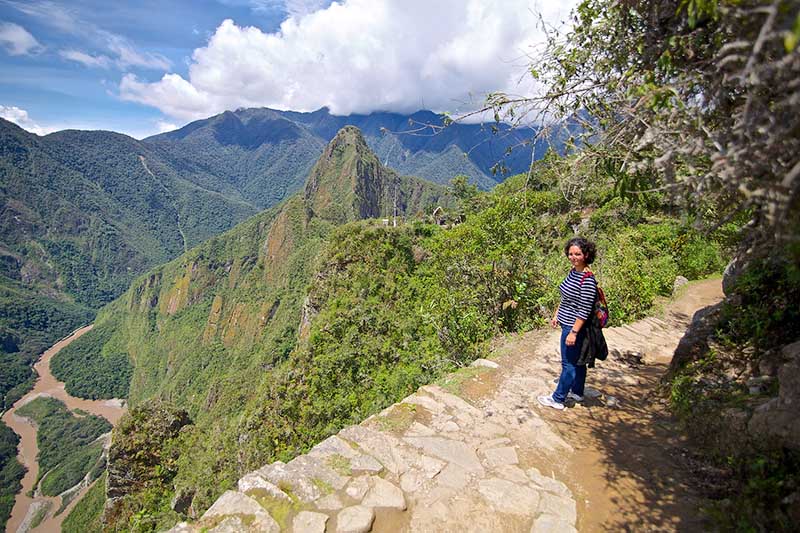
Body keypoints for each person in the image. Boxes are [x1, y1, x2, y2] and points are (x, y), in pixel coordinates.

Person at [538, 237, 598, 410]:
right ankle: (577, 392)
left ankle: (558, 398)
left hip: (574, 327)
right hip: (566, 322)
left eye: (578, 254)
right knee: (578, 362)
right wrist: (557, 314)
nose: (573, 257)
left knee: (568, 364)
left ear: (586, 254)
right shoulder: (574, 272)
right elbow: (565, 297)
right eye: (571, 254)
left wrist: (573, 332)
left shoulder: (587, 280)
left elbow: (584, 310)